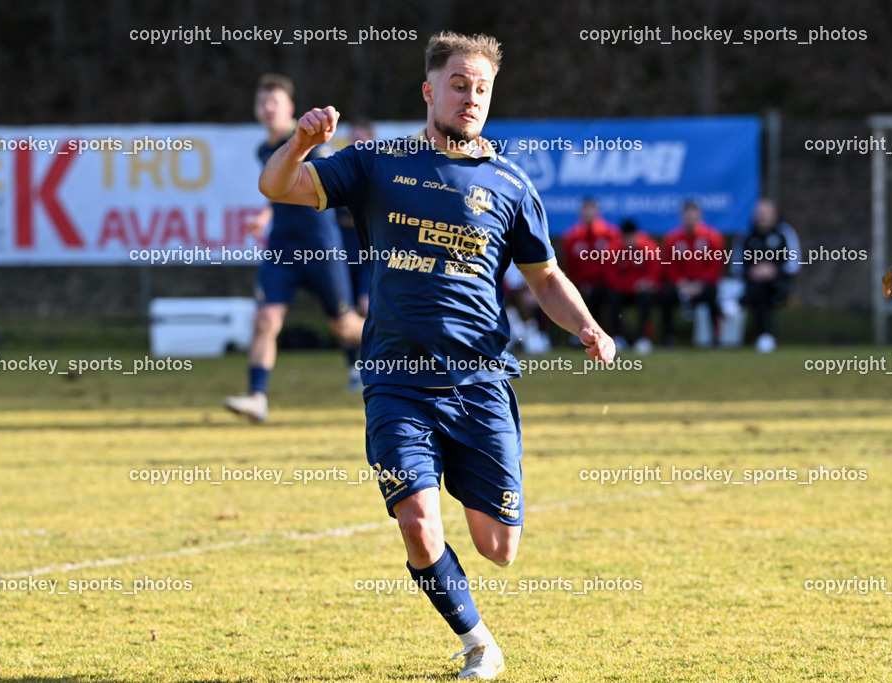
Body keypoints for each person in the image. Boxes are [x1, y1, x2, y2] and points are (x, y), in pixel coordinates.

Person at [256, 31, 616, 679]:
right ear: (429, 91)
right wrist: (304, 141)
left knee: (498, 546)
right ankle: (479, 641)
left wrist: (587, 327)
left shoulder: (510, 183)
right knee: (418, 522)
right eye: (458, 84)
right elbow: (277, 184)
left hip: (480, 381)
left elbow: (544, 277)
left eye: (481, 88)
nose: (471, 97)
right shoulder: (377, 162)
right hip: (396, 379)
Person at [224, 74, 364, 423]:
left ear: (290, 108)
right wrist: (266, 213)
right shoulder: (263, 150)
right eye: (262, 102)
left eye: (274, 102)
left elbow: (330, 182)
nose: (267, 108)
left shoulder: (313, 143)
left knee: (345, 327)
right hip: (281, 248)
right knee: (266, 319)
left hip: (320, 248)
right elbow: (282, 187)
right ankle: (257, 397)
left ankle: (408, 340)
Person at [731, 198, 800, 353]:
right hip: (754, 285)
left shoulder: (784, 233)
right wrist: (753, 271)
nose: (762, 216)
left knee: (763, 289)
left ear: (774, 215)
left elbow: (794, 262)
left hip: (778, 286)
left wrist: (773, 270)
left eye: (765, 213)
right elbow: (736, 264)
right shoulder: (746, 235)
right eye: (759, 213)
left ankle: (739, 303)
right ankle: (766, 337)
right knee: (759, 290)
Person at [336, 118, 375, 390]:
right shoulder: (338, 172)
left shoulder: (381, 174)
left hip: (369, 255)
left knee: (367, 305)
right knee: (344, 313)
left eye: (363, 139)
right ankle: (353, 368)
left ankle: (374, 362)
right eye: (354, 139)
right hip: (340, 257)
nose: (358, 144)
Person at [660, 200, 725, 347]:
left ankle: (716, 337)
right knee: (666, 296)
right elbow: (669, 266)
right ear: (681, 217)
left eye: (693, 216)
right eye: (687, 216)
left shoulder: (712, 238)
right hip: (681, 285)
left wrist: (700, 284)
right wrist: (680, 283)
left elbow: (715, 266)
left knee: (712, 295)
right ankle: (668, 338)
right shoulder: (672, 239)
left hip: (703, 285)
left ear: (700, 216)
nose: (690, 220)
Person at [560, 198, 622, 331]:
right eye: (585, 210)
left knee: (614, 296)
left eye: (591, 209)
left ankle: (615, 333)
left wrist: (607, 281)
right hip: (582, 284)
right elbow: (570, 265)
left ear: (597, 212)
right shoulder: (572, 237)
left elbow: (613, 262)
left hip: (606, 284)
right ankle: (578, 333)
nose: (588, 213)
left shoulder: (610, 234)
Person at [608, 219, 661, 354]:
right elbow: (611, 277)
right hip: (624, 291)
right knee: (613, 299)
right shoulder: (614, 249)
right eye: (626, 237)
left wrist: (647, 284)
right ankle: (617, 337)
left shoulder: (649, 248)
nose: (629, 241)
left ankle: (644, 338)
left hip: (642, 292)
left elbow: (655, 274)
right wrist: (634, 285)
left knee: (646, 299)